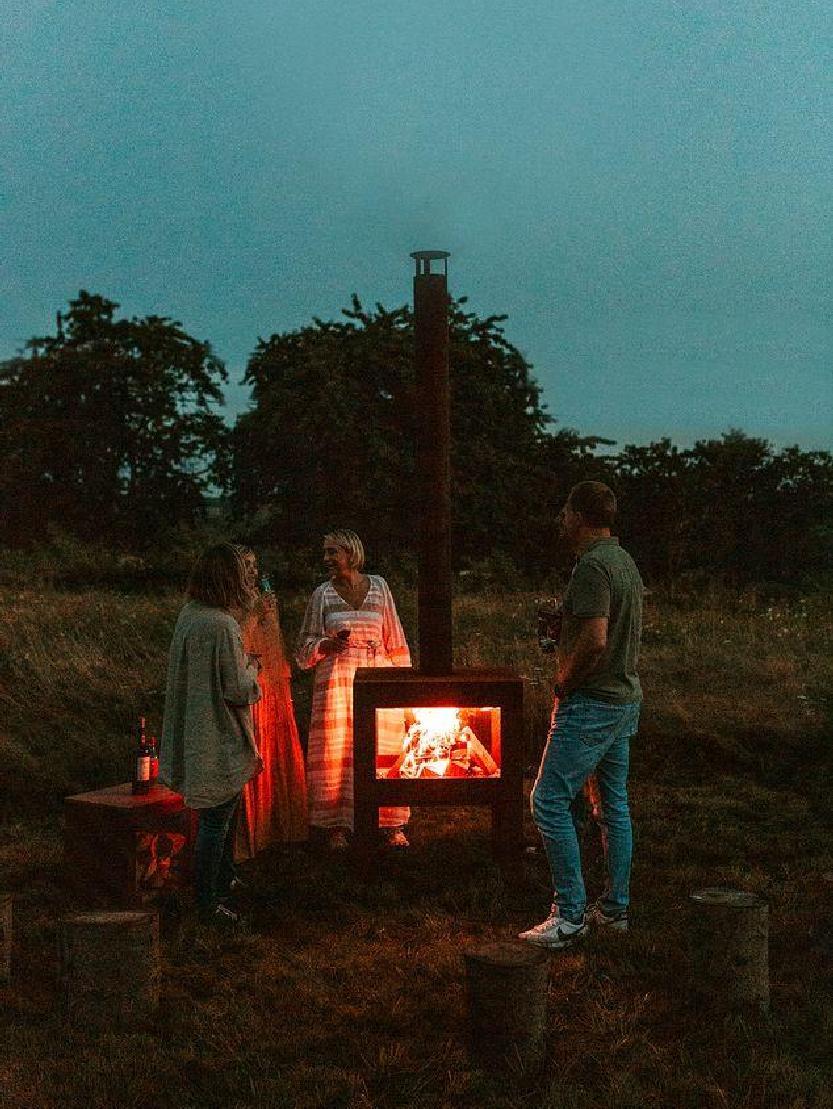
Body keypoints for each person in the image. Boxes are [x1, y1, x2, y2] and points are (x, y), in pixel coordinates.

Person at [519, 481, 643, 949]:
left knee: (548, 801)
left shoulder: (592, 566)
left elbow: (594, 641)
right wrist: (563, 625)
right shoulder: (623, 561)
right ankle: (615, 910)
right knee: (612, 806)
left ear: (578, 515)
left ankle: (568, 915)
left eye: (565, 511)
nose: (560, 519)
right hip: (622, 698)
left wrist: (563, 682)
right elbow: (597, 628)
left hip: (591, 702)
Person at [159, 543, 262, 926]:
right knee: (216, 818)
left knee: (224, 809)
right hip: (216, 733)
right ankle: (208, 900)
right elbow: (237, 688)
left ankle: (224, 877)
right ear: (228, 580)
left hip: (196, 726)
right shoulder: (221, 625)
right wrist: (254, 670)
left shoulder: (191, 614)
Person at [296, 529, 411, 850]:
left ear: (350, 552)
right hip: (337, 680)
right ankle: (337, 826)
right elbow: (303, 647)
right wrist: (326, 644)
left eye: (332, 552)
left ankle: (390, 823)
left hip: (377, 676)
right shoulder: (322, 594)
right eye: (325, 552)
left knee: (381, 747)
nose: (326, 559)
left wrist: (404, 690)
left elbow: (396, 638)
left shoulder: (380, 587)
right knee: (338, 751)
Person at [234, 547, 308, 856]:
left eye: (254, 566)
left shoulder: (260, 598)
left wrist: (271, 617)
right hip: (252, 681)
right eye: (245, 567)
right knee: (256, 750)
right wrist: (255, 616)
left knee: (277, 748)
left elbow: (273, 641)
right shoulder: (232, 604)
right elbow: (239, 642)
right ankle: (253, 831)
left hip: (274, 680)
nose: (252, 573)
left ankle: (280, 825)